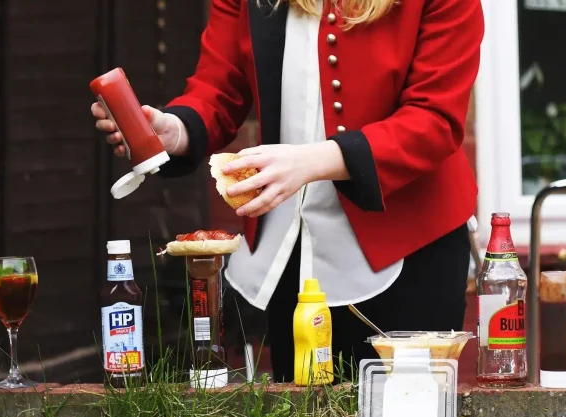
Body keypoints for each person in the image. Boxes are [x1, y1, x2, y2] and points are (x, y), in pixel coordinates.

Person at [92, 0, 484, 382]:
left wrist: (311, 162)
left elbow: (434, 119)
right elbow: (218, 88)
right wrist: (174, 130)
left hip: (409, 251)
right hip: (290, 254)